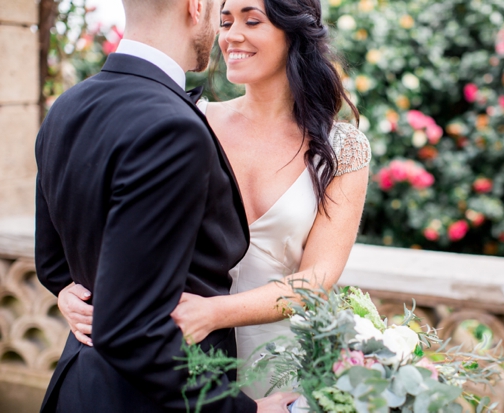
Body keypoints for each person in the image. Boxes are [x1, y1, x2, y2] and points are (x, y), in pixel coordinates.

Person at [57, 0, 371, 402]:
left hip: (279, 360)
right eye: (224, 22)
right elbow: (108, 226)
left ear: (294, 31)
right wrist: (70, 289)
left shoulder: (343, 146)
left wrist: (213, 313)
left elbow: (318, 278)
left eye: (251, 20)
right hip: (181, 360)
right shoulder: (188, 121)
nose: (231, 35)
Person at [35, 0, 295, 412]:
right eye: (218, 12)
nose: (221, 27)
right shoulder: (173, 126)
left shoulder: (67, 107)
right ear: (195, 6)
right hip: (146, 400)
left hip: (77, 386)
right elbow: (132, 331)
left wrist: (76, 294)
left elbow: (52, 265)